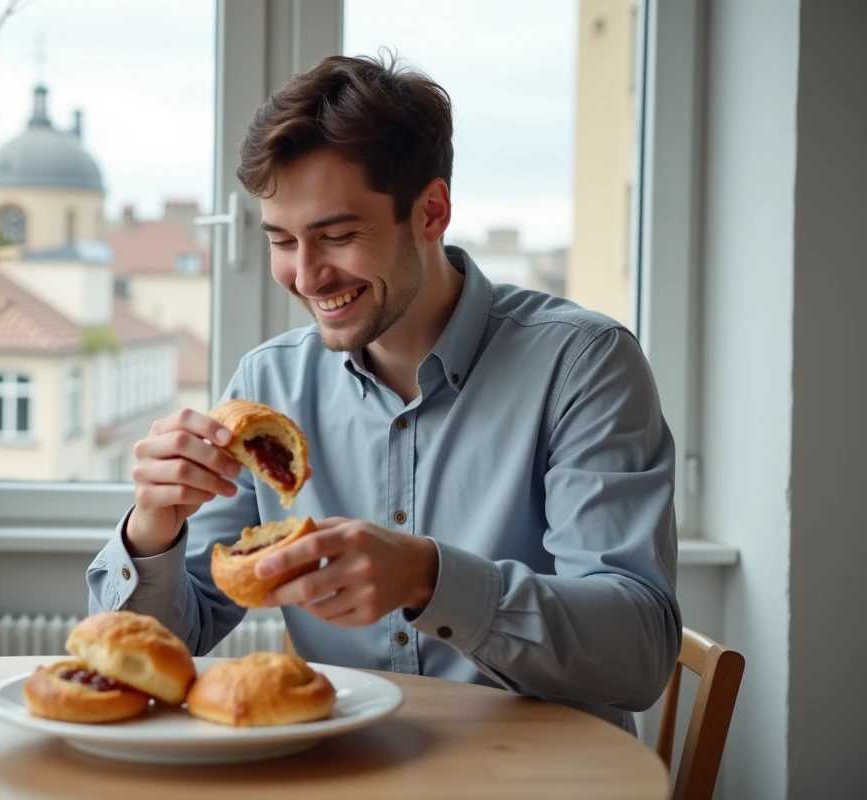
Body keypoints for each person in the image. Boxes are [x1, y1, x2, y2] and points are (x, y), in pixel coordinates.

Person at [86, 53, 681, 735]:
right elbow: (155, 654)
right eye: (282, 240)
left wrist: (429, 579)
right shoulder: (267, 384)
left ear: (431, 212)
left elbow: (638, 653)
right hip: (349, 770)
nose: (307, 276)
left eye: (337, 236)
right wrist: (153, 527)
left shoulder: (583, 365)